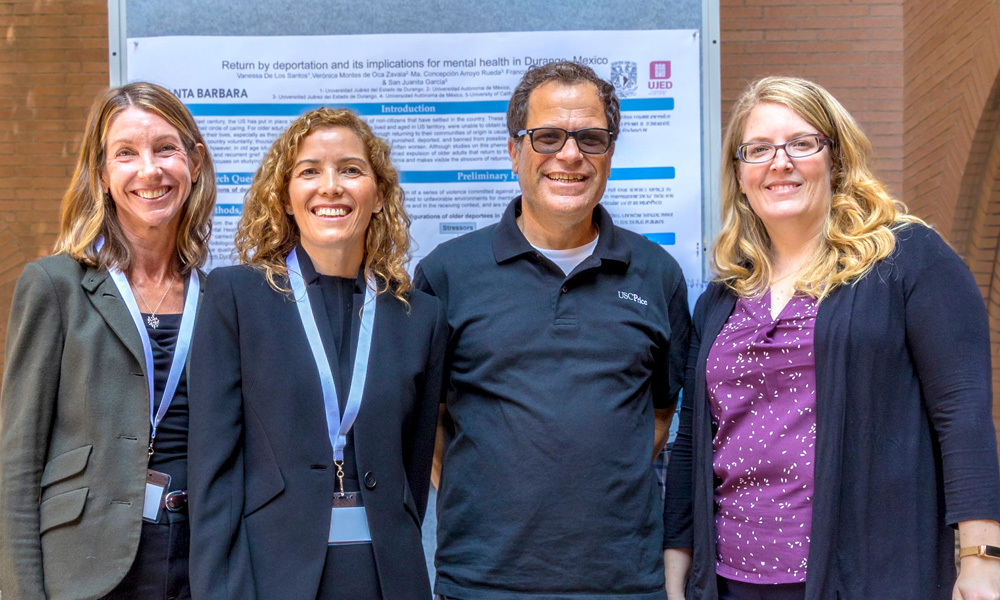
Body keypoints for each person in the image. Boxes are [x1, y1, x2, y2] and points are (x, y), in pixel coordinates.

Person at [662, 75, 1000, 600]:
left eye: (802, 143)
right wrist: (676, 565)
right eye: (758, 150)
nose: (780, 162)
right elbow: (691, 443)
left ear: (836, 157)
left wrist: (983, 558)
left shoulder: (908, 261)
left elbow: (963, 415)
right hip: (728, 580)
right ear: (740, 173)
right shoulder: (722, 296)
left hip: (866, 575)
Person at [415, 61, 691, 600]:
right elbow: (428, 424)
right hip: (483, 583)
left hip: (624, 584)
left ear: (610, 152)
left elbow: (660, 415)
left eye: (590, 137)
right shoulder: (446, 275)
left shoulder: (657, 274)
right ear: (515, 150)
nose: (569, 155)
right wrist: (492, 498)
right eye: (547, 137)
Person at [187, 107, 446, 600]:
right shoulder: (236, 297)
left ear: (379, 195)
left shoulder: (420, 317)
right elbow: (213, 474)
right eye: (309, 171)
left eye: (350, 169)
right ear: (285, 197)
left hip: (389, 579)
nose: (331, 186)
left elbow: (411, 476)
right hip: (271, 578)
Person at [0, 82, 215, 600]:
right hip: (84, 564)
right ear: (101, 174)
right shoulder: (56, 285)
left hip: (200, 564)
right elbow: (18, 461)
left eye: (166, 148)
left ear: (194, 161)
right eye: (125, 153)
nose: (150, 170)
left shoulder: (222, 297)